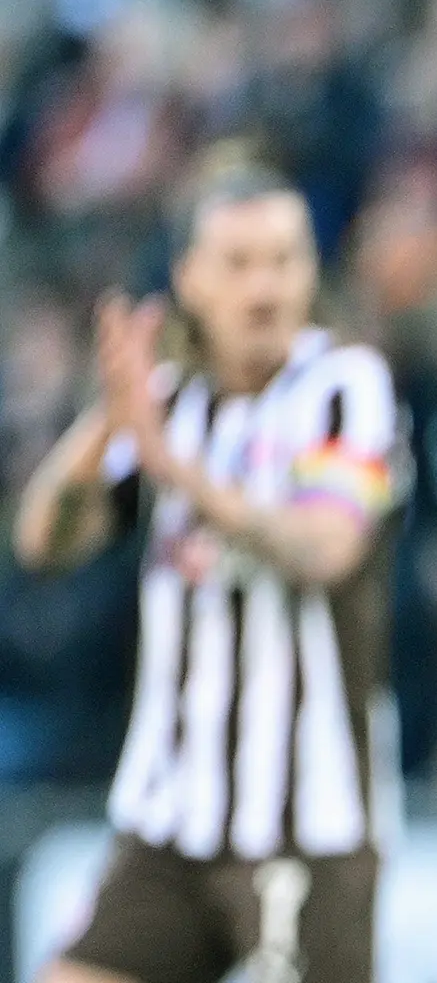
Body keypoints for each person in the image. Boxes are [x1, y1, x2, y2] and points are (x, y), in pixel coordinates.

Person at [16, 155, 406, 983]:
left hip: (309, 825)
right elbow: (46, 541)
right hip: (170, 820)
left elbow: (326, 548)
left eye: (284, 260)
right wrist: (106, 421)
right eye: (238, 264)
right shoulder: (167, 403)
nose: (264, 288)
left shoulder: (346, 388)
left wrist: (179, 473)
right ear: (189, 279)